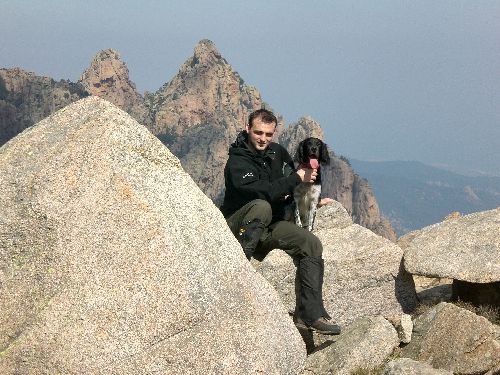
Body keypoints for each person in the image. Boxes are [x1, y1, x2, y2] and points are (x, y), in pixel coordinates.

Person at [220, 108, 341, 335]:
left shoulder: (277, 153)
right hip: (239, 225)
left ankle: (310, 314)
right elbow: (263, 192)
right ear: (247, 129)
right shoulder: (237, 161)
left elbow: (294, 181)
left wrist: (310, 198)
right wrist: (295, 178)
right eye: (258, 133)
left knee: (311, 243)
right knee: (261, 204)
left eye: (268, 134)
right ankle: (240, 268)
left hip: (269, 225)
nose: (263, 139)